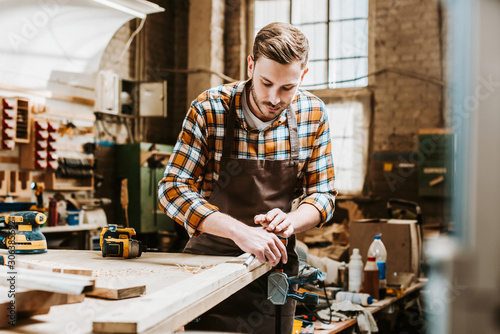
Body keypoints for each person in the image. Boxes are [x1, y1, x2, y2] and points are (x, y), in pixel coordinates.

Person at [158, 22, 337, 333]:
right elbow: (172, 189)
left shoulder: (313, 114)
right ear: (251, 65)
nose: (273, 98)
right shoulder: (209, 108)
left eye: (287, 88)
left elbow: (323, 195)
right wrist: (240, 232)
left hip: (271, 271)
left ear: (303, 77)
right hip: (208, 268)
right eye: (266, 82)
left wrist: (291, 221)